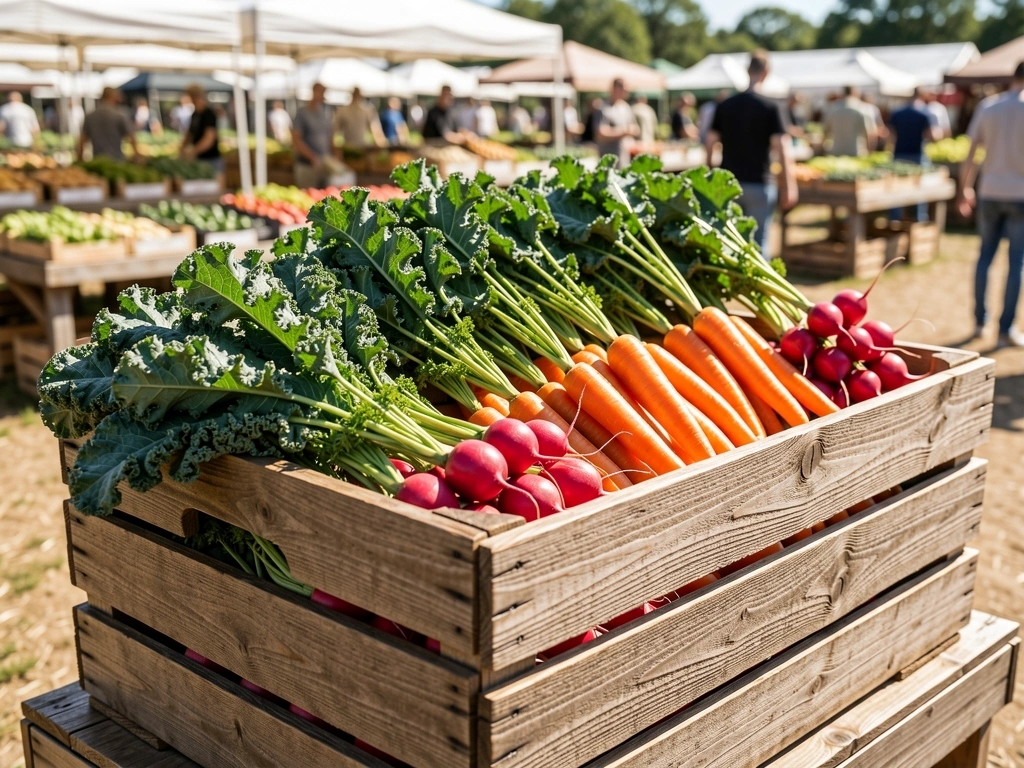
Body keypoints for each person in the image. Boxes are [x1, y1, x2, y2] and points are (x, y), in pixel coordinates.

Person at [705, 51, 797, 260]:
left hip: (728, 184)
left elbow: (710, 142)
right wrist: (789, 185)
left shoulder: (726, 105)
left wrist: (711, 174)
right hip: (759, 182)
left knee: (729, 241)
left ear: (747, 71)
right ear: (766, 72)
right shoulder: (772, 106)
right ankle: (756, 291)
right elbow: (782, 148)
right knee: (758, 242)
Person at [957, 62, 1024, 347]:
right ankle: (1005, 328)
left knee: (985, 257)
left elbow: (971, 152)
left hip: (989, 191)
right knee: (1016, 262)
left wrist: (965, 189)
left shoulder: (989, 106)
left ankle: (980, 321)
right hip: (1020, 194)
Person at [888, 87, 943, 220]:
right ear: (922, 96)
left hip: (899, 154)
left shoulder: (897, 113)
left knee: (897, 188)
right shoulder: (924, 114)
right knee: (919, 189)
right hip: (917, 155)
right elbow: (932, 135)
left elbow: (890, 136)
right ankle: (919, 219)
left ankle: (895, 219)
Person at [292, 83, 335, 188]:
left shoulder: (324, 114)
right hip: (306, 165)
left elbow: (330, 138)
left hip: (323, 164)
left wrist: (335, 154)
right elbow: (296, 139)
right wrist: (312, 157)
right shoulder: (302, 113)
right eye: (320, 92)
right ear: (314, 92)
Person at [79, 87, 136, 161]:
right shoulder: (119, 115)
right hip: (117, 160)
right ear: (112, 97)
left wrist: (79, 159)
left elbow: (82, 140)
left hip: (98, 160)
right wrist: (136, 154)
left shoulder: (90, 116)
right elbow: (131, 137)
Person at [597, 78, 639, 168]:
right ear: (614, 88)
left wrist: (630, 131)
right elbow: (601, 133)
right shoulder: (603, 108)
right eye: (623, 89)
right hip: (608, 158)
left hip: (624, 156)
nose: (625, 92)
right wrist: (622, 132)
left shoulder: (625, 107)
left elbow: (635, 129)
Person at [823, 86, 876, 157]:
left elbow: (825, 132)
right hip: (857, 152)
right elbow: (870, 134)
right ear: (855, 93)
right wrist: (870, 152)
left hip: (836, 152)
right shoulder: (863, 108)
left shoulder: (832, 108)